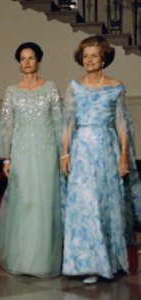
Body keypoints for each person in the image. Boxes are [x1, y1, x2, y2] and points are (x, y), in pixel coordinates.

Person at [60, 36, 141, 284]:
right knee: (85, 206)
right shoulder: (74, 86)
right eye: (85, 56)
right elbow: (68, 124)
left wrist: (124, 153)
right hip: (82, 150)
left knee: (106, 204)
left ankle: (110, 261)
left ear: (103, 58)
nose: (89, 60)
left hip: (107, 150)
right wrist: (65, 153)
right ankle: (87, 264)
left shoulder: (116, 86)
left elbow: (121, 124)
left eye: (94, 55)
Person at [0, 42, 62, 277]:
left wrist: (64, 154)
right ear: (19, 62)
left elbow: (59, 123)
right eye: (22, 58)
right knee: (24, 203)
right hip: (21, 154)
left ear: (38, 60)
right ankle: (21, 259)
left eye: (31, 57)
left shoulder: (51, 87)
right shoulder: (12, 91)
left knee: (44, 204)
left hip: (46, 153)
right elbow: (7, 126)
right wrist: (7, 159)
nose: (27, 62)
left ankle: (42, 261)